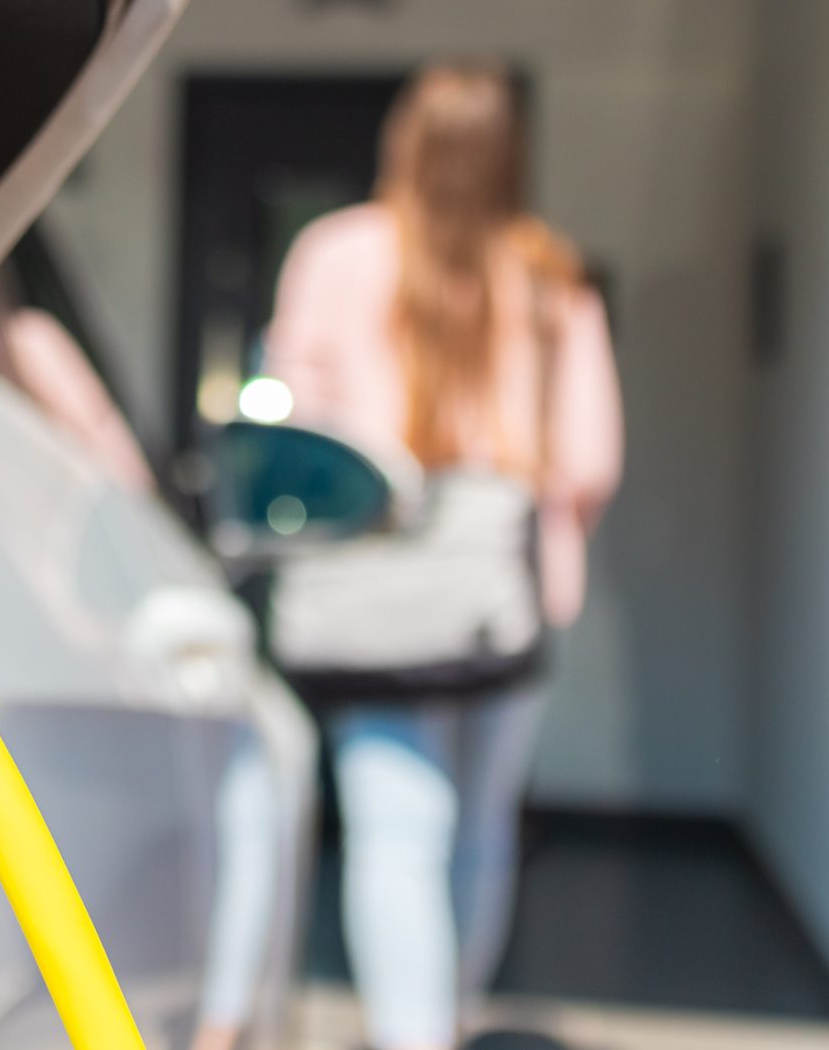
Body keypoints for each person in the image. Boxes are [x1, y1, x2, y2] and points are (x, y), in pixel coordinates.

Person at [263, 62, 622, 1050]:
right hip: (506, 592)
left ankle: (408, 1036)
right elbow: (588, 463)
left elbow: (295, 429)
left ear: (403, 142)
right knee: (479, 826)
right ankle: (450, 1020)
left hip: (368, 585)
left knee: (394, 831)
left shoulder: (333, 252)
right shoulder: (549, 273)